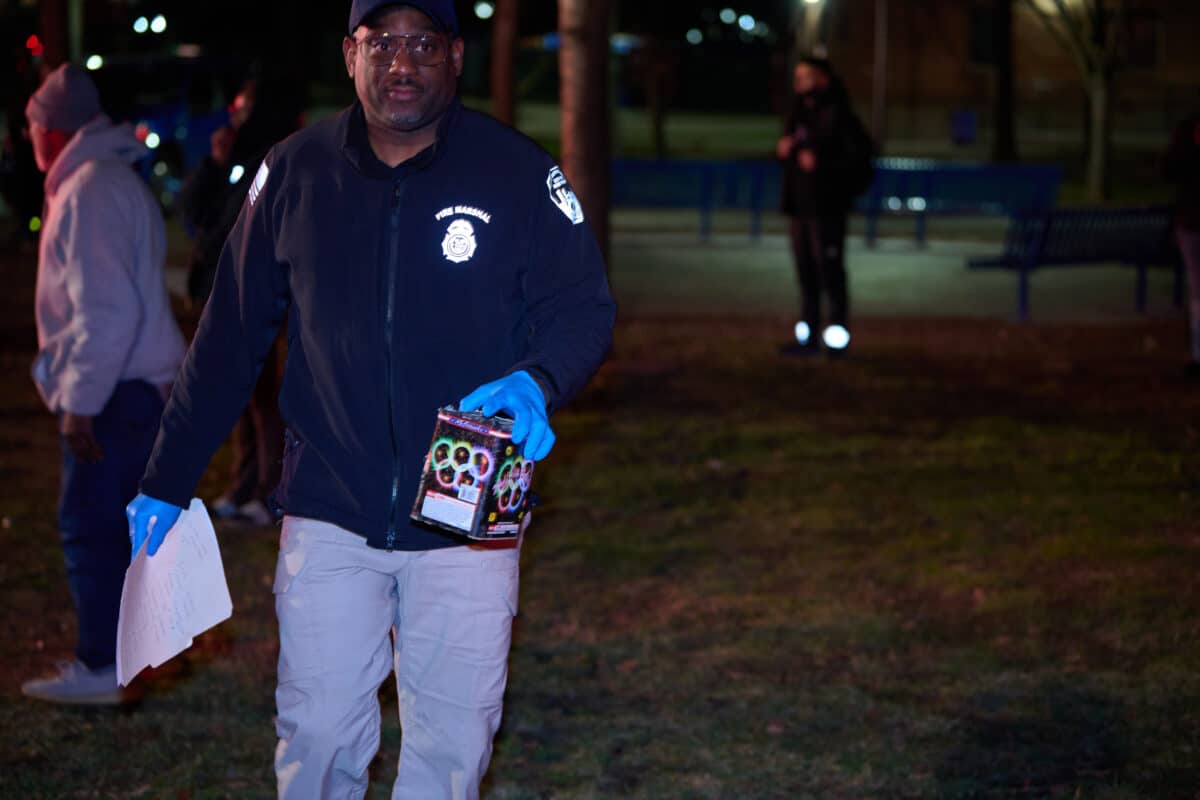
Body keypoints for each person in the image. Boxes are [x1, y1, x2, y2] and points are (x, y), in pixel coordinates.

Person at [126, 1, 615, 796]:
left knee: (453, 740)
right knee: (317, 729)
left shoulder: (517, 172)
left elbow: (582, 307)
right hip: (330, 505)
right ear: (350, 52)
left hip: (468, 511)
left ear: (455, 54)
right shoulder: (293, 171)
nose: (402, 62)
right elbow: (228, 338)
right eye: (381, 41)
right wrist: (165, 477)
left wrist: (539, 378)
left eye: (423, 42)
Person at [20, 64, 186, 705]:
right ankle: (124, 661)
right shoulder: (108, 181)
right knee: (118, 530)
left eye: (33, 126)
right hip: (136, 389)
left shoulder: (90, 189)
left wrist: (79, 405)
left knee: (89, 525)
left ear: (52, 129)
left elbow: (106, 311)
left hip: (117, 393)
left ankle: (99, 667)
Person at [177, 73, 304, 525]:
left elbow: (237, 231)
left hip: (256, 296)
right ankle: (244, 485)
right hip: (226, 294)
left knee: (261, 397)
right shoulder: (237, 158)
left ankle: (268, 491)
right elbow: (196, 214)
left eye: (245, 105)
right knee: (243, 397)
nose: (236, 114)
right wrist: (214, 162)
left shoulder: (272, 160)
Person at [777, 56, 875, 358]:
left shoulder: (838, 114)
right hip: (802, 208)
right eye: (797, 76)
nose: (799, 82)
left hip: (827, 208)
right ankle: (808, 335)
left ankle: (836, 339)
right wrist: (787, 150)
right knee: (806, 273)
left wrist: (824, 165)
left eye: (806, 75)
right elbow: (794, 149)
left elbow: (859, 158)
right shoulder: (800, 112)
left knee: (830, 272)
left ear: (823, 78)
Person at [1163, 112, 1200, 377]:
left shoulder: (1188, 130)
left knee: (1198, 291)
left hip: (1191, 221)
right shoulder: (1188, 130)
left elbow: (1169, 169)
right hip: (1192, 222)